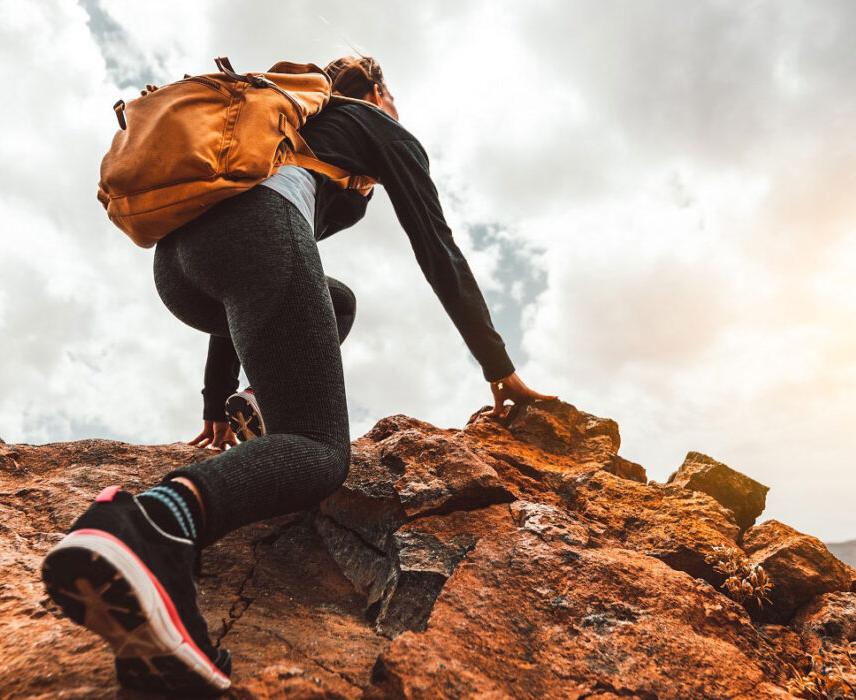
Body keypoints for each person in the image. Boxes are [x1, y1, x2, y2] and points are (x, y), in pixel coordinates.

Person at [40, 56, 557, 694]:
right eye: (391, 94)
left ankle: (159, 645)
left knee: (333, 299)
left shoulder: (295, 126)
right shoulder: (376, 125)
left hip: (179, 267)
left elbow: (243, 270)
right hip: (254, 238)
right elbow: (437, 247)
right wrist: (496, 364)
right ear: (379, 91)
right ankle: (150, 526)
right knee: (316, 449)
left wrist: (218, 397)